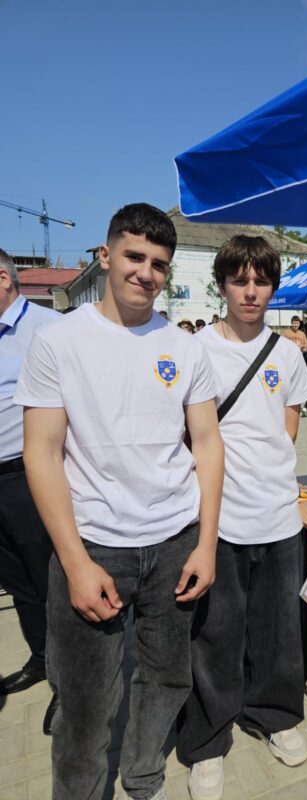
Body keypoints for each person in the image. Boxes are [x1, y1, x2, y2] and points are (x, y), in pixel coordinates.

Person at [14, 203, 224, 800]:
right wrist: (75, 563)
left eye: (159, 264)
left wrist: (207, 544)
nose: (146, 273)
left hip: (175, 541)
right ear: (105, 257)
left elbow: (208, 444)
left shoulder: (184, 347)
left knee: (166, 679)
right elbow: (41, 452)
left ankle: (144, 776)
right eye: (135, 256)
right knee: (84, 701)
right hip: (94, 546)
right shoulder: (58, 341)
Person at [177, 235, 307, 800]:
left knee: (279, 630)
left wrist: (267, 471)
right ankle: (208, 739)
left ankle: (276, 715)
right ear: (222, 285)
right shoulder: (196, 349)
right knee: (215, 634)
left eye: (261, 281)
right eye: (240, 280)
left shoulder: (287, 352)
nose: (251, 291)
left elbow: (289, 423)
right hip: (219, 518)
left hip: (279, 515)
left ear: (272, 287)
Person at [0, 249, 58, 703]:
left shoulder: (48, 329)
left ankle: (67, 677)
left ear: (3, 279)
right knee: (17, 581)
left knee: (49, 580)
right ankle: (40, 658)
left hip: (28, 476)